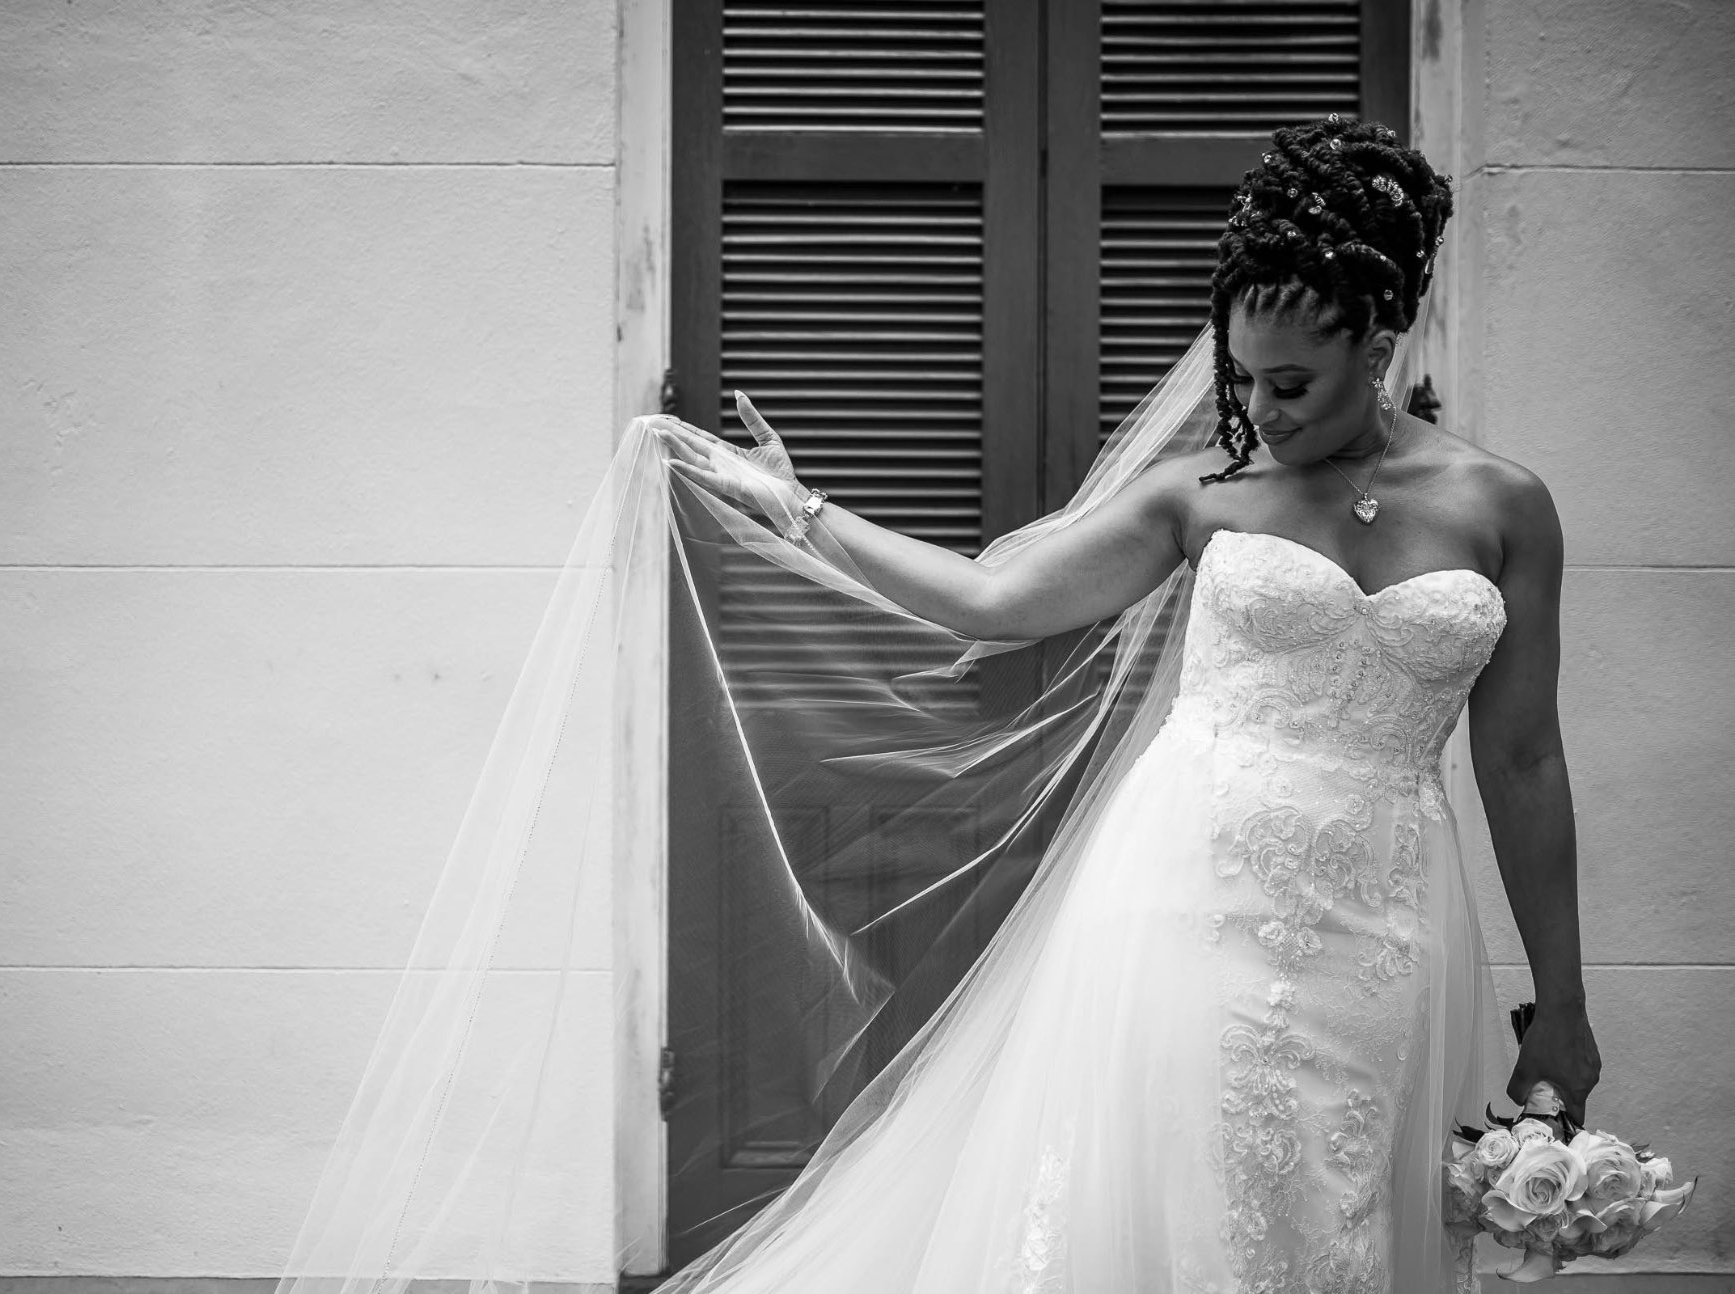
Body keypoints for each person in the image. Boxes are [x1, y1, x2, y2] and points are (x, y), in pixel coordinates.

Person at [275, 116, 1602, 1294]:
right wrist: (796, 507)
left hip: (1385, 924)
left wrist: (1565, 1001)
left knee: (1344, 1208)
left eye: (1291, 382)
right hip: (1193, 898)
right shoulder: (1201, 497)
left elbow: (1526, 762)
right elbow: (988, 598)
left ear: (1381, 343)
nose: (1257, 407)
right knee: (1203, 1199)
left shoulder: (1504, 510)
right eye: (1241, 375)